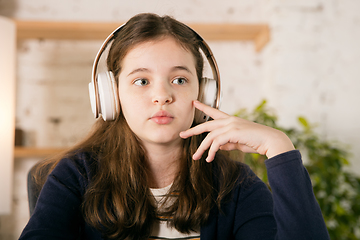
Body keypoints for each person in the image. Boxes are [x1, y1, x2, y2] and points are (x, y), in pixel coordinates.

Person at [19, 13, 330, 240]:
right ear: (111, 96)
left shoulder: (235, 186)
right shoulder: (77, 174)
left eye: (179, 80)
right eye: (141, 81)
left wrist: (279, 147)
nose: (162, 96)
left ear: (204, 92)